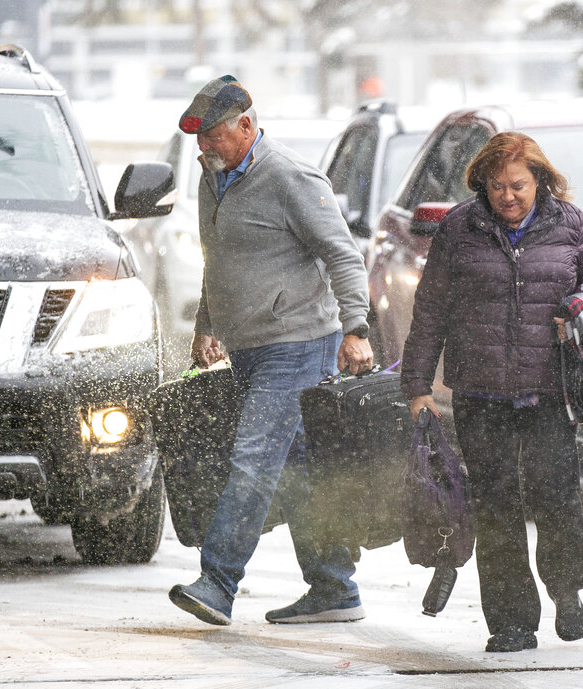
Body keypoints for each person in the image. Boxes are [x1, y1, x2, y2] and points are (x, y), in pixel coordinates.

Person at [401, 131, 583, 652]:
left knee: (556, 497)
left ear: (539, 180)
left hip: (551, 391)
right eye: (497, 186)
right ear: (483, 183)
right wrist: (417, 387)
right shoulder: (460, 227)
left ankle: (567, 591)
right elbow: (430, 311)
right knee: (496, 506)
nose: (508, 196)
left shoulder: (569, 224)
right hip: (481, 392)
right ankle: (511, 622)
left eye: (519, 185)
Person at [167, 75, 375, 626]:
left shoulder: (290, 178)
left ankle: (217, 583)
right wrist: (206, 324)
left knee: (254, 460)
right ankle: (334, 588)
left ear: (246, 126)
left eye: (210, 135)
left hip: (300, 343)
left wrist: (356, 327)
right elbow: (218, 259)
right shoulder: (213, 178)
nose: (202, 147)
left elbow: (343, 256)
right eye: (198, 138)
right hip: (248, 347)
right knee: (299, 468)